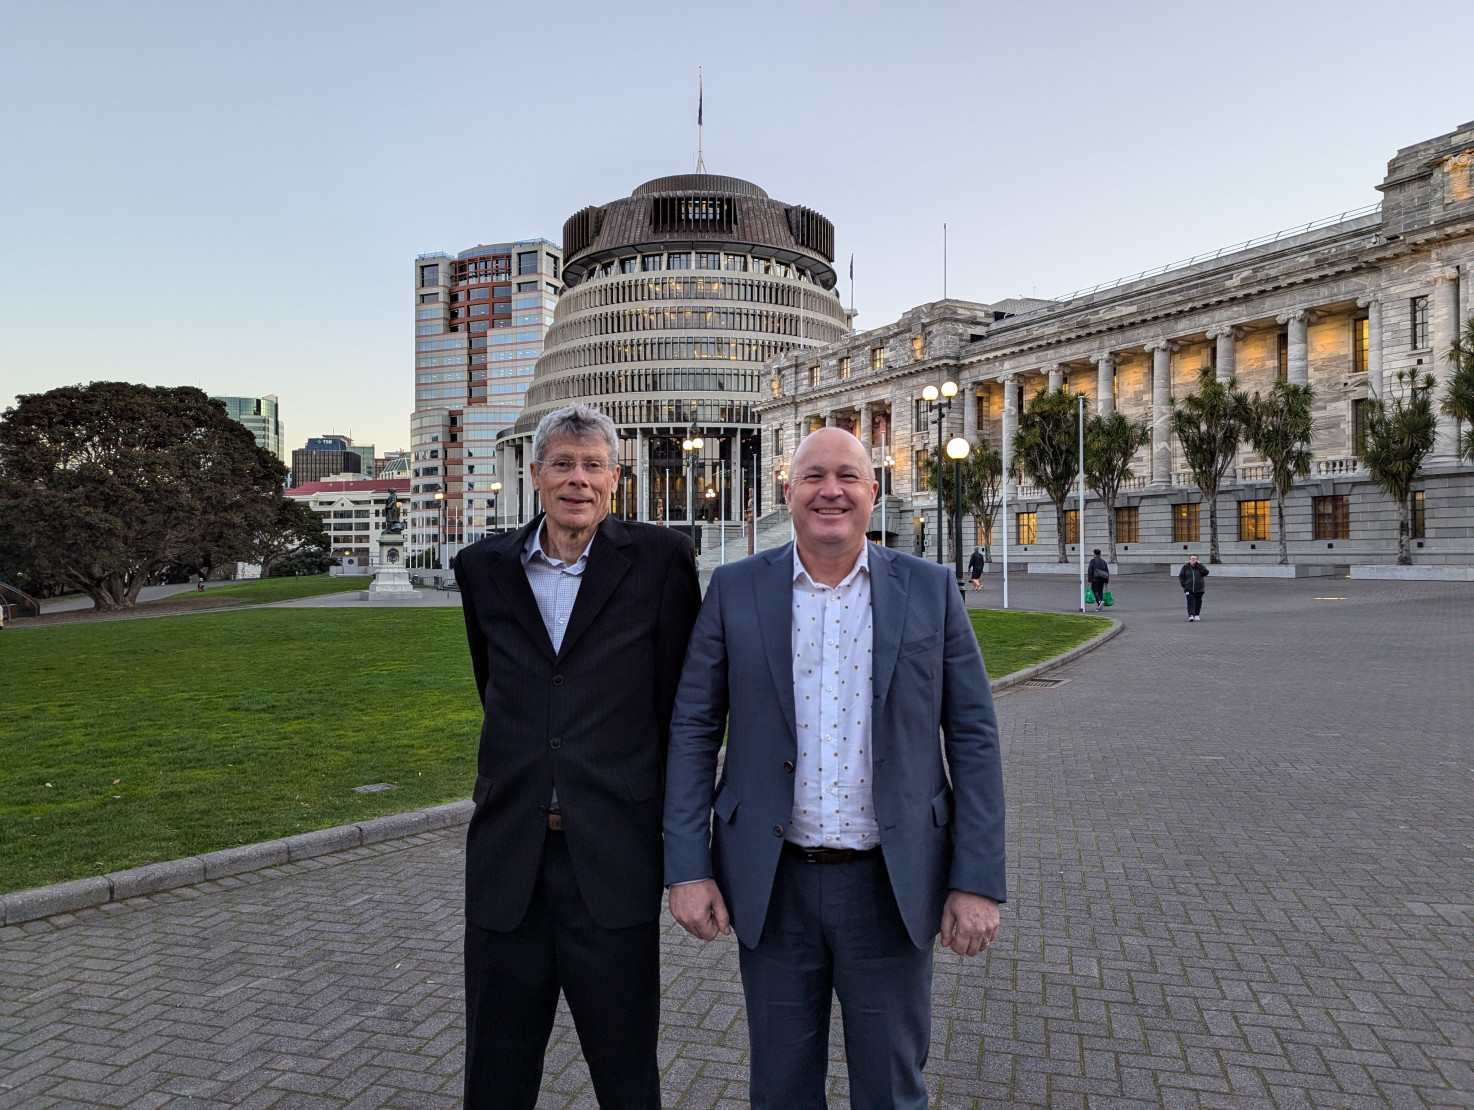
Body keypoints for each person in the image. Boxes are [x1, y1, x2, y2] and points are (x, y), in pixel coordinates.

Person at [664, 427, 1007, 1110]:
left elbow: (973, 736)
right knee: (780, 1091)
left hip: (891, 885)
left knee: (890, 1090)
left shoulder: (930, 589)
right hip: (772, 884)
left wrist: (977, 880)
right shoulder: (733, 589)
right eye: (813, 477)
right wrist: (687, 868)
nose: (831, 492)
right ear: (787, 491)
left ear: (873, 492)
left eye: (847, 477)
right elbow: (693, 730)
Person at [453, 404, 702, 1110]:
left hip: (613, 857)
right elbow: (496, 685)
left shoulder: (660, 561)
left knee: (626, 1078)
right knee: (494, 1077)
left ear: (616, 477)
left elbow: (679, 710)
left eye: (593, 465)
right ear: (536, 474)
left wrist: (683, 848)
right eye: (562, 464)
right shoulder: (483, 568)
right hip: (509, 859)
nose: (578, 479)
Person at [1178, 553, 1209, 621]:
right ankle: (1191, 615)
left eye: (1194, 559)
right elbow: (1181, 577)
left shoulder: (1200, 567)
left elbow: (1206, 572)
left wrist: (1199, 565)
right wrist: (1184, 585)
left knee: (1198, 602)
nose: (1193, 560)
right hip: (1189, 588)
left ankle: (1197, 615)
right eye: (1192, 559)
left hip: (1199, 588)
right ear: (1190, 560)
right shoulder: (1185, 567)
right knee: (1190, 601)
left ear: (1197, 560)